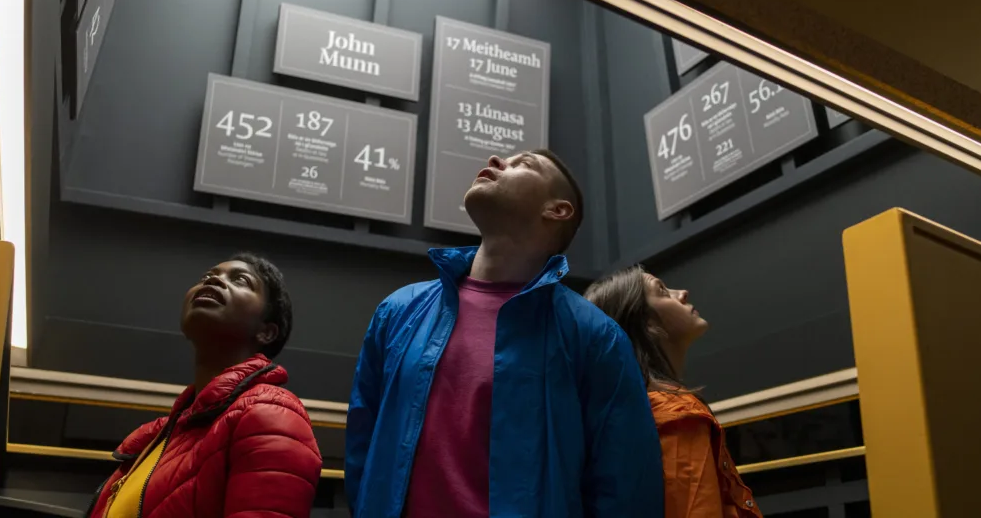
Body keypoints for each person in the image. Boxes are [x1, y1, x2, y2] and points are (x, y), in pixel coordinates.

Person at [346, 150, 663, 518]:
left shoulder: (596, 337)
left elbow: (626, 487)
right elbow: (361, 452)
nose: (496, 159)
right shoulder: (397, 312)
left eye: (523, 163)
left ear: (557, 210)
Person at [85, 253, 323, 518]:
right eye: (207, 277)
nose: (214, 281)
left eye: (241, 280)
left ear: (266, 331)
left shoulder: (270, 412)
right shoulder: (156, 437)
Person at [584, 266, 762, 518]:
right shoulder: (675, 415)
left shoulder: (618, 415)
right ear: (645, 323)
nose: (683, 293)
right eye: (663, 292)